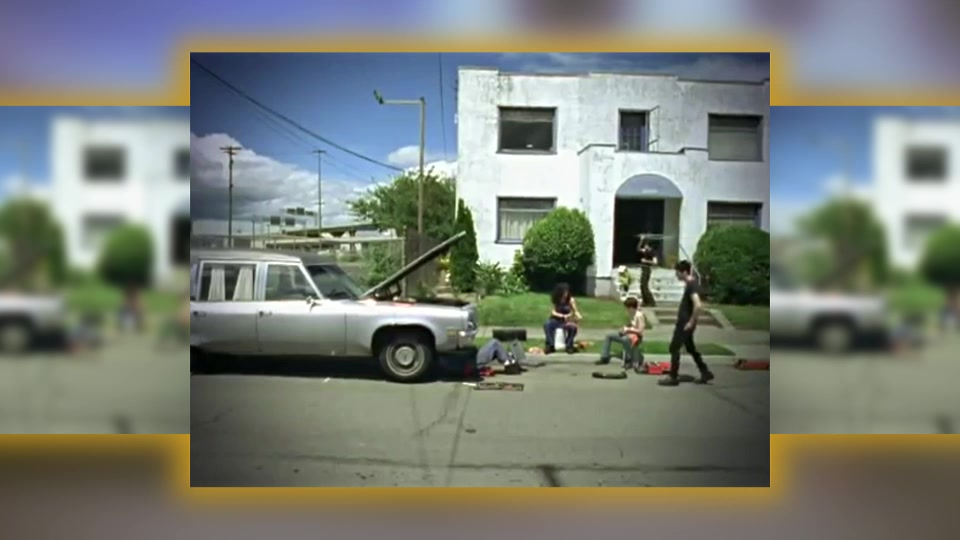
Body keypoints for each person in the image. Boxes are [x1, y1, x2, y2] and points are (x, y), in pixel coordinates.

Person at [659, 260, 714, 386]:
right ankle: (705, 372)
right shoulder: (691, 283)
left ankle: (673, 376)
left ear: (684, 272)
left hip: (685, 323)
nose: (676, 275)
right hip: (685, 322)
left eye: (677, 272)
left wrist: (691, 321)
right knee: (690, 348)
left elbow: (698, 305)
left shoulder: (691, 284)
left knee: (674, 347)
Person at [595, 296, 646, 371]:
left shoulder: (639, 315)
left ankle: (631, 358)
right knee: (609, 336)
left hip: (636, 337)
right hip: (629, 335)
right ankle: (604, 357)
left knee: (625, 339)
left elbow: (640, 331)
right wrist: (624, 328)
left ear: (631, 307)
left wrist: (628, 329)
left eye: (627, 308)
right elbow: (631, 325)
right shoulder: (632, 314)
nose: (626, 310)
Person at [543, 282, 581, 354]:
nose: (566, 294)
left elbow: (574, 310)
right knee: (547, 324)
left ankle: (569, 345)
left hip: (566, 321)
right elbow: (553, 312)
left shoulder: (571, 300)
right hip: (556, 319)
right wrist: (562, 316)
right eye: (564, 292)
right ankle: (550, 345)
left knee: (573, 328)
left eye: (567, 292)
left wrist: (576, 315)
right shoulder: (556, 300)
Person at [637, 235, 657, 307]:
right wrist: (641, 240)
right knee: (642, 286)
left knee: (645, 286)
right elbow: (638, 249)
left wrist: (646, 261)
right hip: (643, 269)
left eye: (646, 245)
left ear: (649, 246)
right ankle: (645, 301)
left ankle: (651, 301)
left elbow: (655, 262)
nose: (644, 247)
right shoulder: (646, 251)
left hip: (647, 269)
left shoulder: (652, 252)